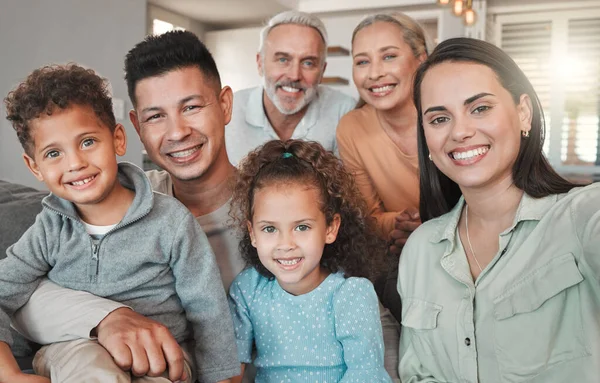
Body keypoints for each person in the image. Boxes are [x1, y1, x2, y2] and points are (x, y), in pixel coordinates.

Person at [10, 31, 244, 382]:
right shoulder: (53, 224)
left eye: (191, 107)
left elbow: (209, 313)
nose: (177, 131)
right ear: (135, 128)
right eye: (155, 116)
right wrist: (106, 317)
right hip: (78, 353)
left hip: (165, 359)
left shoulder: (176, 219)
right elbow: (11, 289)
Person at [398, 37, 600, 382]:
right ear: (427, 140)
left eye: (480, 108)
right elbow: (417, 374)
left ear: (523, 113)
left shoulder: (579, 218)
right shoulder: (420, 250)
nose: (460, 131)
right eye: (439, 118)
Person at [228, 139, 392, 382]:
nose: (286, 244)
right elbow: (231, 369)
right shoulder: (248, 290)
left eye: (302, 227)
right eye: (270, 229)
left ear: (330, 228)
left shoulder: (351, 295)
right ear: (252, 233)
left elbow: (365, 374)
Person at [336, 12, 429, 321]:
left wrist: (430, 224)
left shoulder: (449, 114)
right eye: (362, 62)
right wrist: (405, 226)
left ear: (421, 59)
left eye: (388, 56)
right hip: (397, 252)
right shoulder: (352, 128)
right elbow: (367, 219)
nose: (374, 73)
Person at [225, 10, 355, 166]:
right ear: (260, 63)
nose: (294, 75)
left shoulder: (345, 112)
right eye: (282, 59)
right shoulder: (228, 114)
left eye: (308, 63)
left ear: (322, 71)